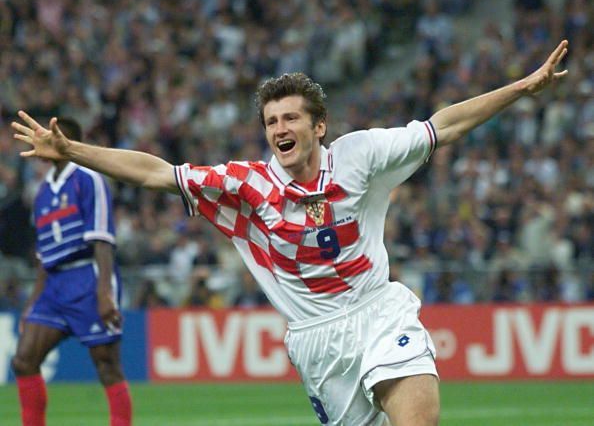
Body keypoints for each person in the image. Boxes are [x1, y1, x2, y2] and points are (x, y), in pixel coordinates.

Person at [12, 40, 569, 426]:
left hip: (379, 311)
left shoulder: (361, 157)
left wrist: (523, 87)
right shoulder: (245, 185)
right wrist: (73, 152)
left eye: (291, 118)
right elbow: (157, 172)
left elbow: (444, 125)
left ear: (318, 126)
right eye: (271, 121)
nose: (280, 128)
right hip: (316, 340)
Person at [11, 118, 132, 426]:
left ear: (64, 140)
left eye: (47, 138)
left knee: (107, 367)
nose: (39, 147)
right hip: (53, 284)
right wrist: (32, 303)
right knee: (23, 360)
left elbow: (102, 239)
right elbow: (43, 256)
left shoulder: (89, 178)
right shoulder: (41, 193)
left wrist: (104, 292)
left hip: (87, 278)